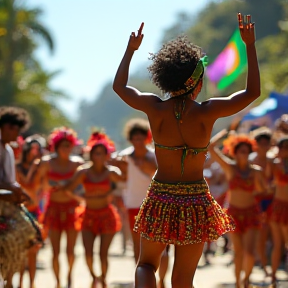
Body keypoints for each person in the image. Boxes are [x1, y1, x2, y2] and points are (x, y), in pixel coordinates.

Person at [113, 12, 260, 288]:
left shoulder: (154, 108)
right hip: (195, 202)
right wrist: (249, 45)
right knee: (183, 279)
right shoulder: (208, 113)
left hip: (160, 197)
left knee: (145, 266)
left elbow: (119, 87)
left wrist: (130, 50)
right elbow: (252, 93)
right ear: (197, 82)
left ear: (166, 79)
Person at [61, 131, 124, 288]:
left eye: (102, 154)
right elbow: (69, 189)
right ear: (91, 154)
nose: (99, 157)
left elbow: (124, 184)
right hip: (88, 215)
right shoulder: (83, 172)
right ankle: (94, 276)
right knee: (88, 254)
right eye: (96, 153)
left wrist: (111, 194)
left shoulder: (111, 172)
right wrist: (82, 199)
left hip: (107, 215)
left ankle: (103, 280)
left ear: (106, 155)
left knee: (103, 255)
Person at [209, 130, 267, 288]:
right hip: (233, 214)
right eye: (241, 152)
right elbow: (211, 147)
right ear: (235, 153)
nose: (244, 155)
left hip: (252, 213)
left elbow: (263, 190)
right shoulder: (230, 168)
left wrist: (263, 182)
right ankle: (237, 283)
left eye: (246, 152)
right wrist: (223, 134)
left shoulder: (256, 171)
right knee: (238, 252)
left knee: (249, 252)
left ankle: (246, 279)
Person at [29, 127, 84, 288]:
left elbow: (82, 188)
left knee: (71, 250)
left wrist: (68, 187)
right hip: (53, 209)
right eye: (63, 146)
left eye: (69, 146)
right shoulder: (47, 163)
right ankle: (58, 282)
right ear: (56, 147)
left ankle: (69, 277)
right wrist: (53, 185)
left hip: (72, 209)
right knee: (55, 250)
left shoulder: (78, 164)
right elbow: (40, 185)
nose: (66, 149)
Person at [0, 107, 40, 288]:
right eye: (14, 129)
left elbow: (8, 180)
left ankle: (9, 281)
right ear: (5, 127)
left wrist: (17, 192)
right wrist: (13, 188)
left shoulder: (8, 149)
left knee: (27, 236)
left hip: (6, 205)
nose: (17, 134)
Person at [16, 135, 45, 288]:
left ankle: (31, 284)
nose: (34, 153)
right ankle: (20, 283)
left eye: (37, 149)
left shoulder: (41, 167)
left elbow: (41, 188)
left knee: (33, 251)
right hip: (20, 212)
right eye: (31, 149)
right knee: (21, 252)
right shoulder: (17, 168)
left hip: (35, 212)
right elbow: (26, 183)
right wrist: (33, 167)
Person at [249, 127, 273, 276]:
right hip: (256, 202)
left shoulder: (273, 160)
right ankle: (263, 265)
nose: (264, 146)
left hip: (273, 201)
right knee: (260, 235)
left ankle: (266, 263)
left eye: (266, 143)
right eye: (261, 143)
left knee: (272, 236)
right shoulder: (250, 160)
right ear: (256, 144)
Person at [267, 136, 288, 284]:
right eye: (281, 147)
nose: (282, 150)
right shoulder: (275, 163)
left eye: (285, 147)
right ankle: (273, 276)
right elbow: (268, 174)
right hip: (278, 206)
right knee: (278, 243)